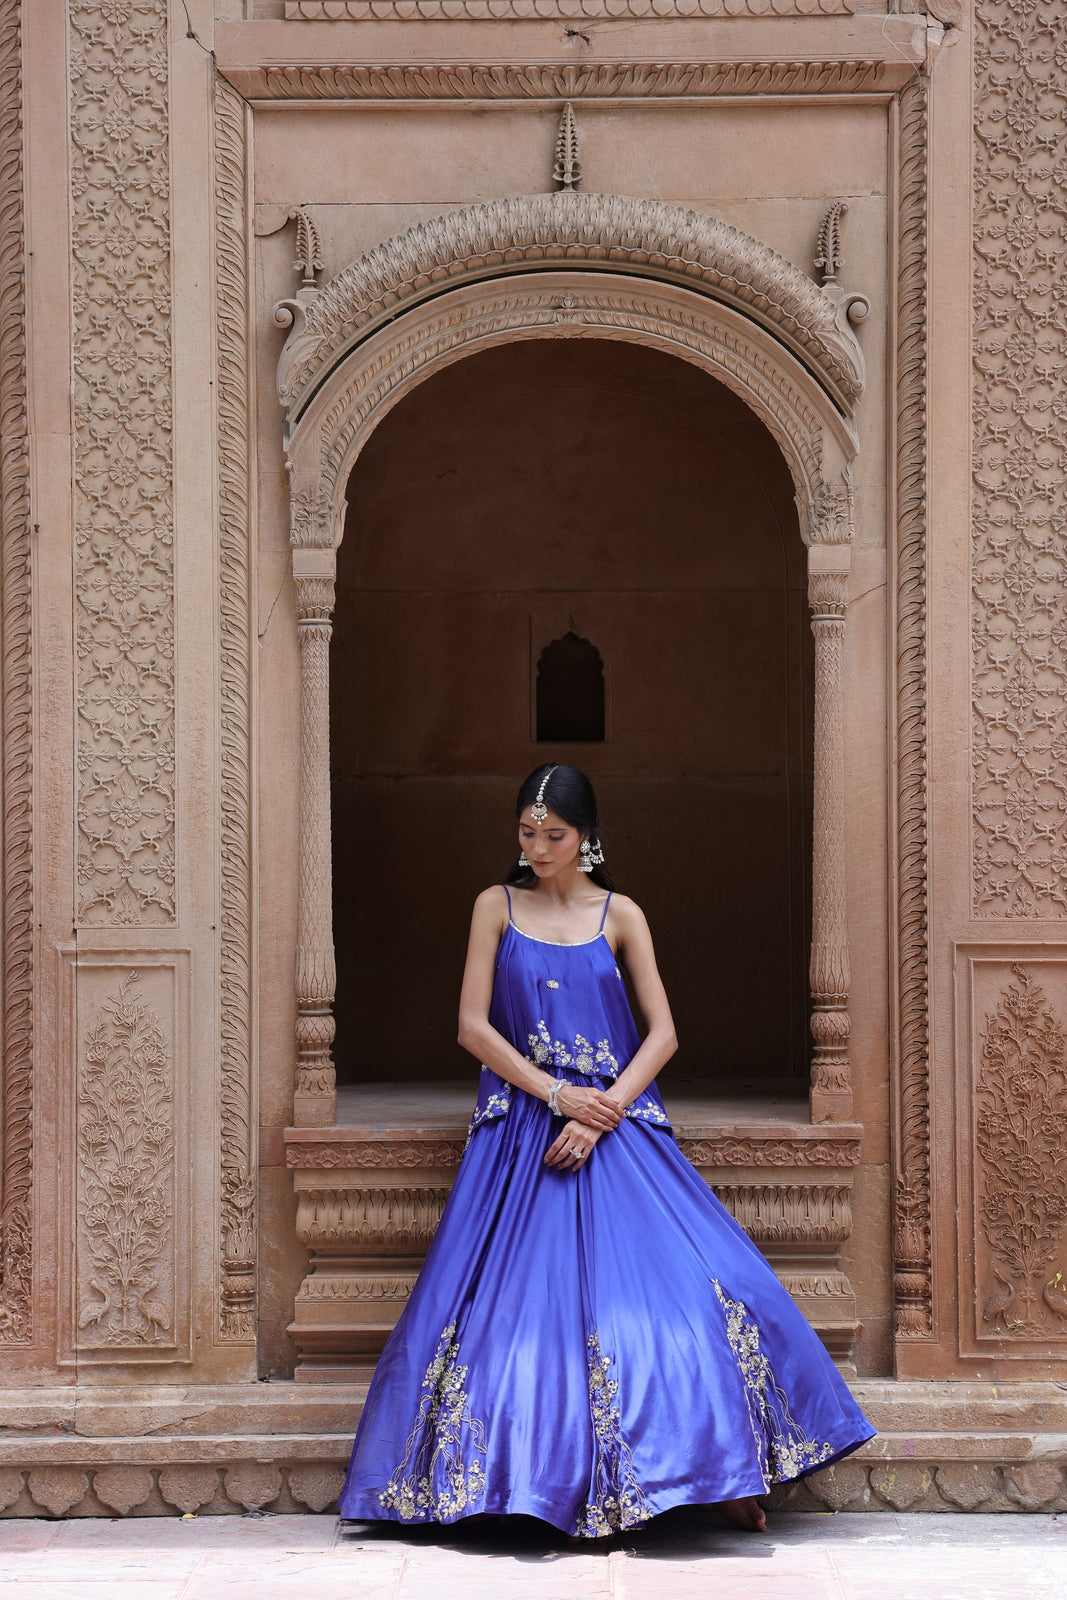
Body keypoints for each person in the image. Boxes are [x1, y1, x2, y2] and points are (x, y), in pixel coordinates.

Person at [338, 763, 874, 1537]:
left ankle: (719, 1472)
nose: (537, 846)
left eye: (553, 834)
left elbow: (663, 1034)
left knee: (696, 1295)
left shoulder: (621, 915)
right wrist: (556, 1098)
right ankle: (504, 1485)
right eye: (526, 832)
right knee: (510, 1313)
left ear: (586, 837)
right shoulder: (496, 906)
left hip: (614, 1122)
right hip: (523, 1129)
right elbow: (471, 1027)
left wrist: (601, 1111)